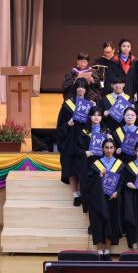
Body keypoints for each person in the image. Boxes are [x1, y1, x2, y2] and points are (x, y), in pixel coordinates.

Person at [88, 138, 125, 260]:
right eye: (106, 147)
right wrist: (98, 177)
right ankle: (100, 252)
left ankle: (107, 252)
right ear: (103, 149)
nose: (109, 150)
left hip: (112, 199)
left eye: (111, 147)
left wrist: (117, 192)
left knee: (111, 224)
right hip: (98, 199)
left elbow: (122, 182)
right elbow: (88, 182)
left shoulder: (120, 164)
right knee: (97, 224)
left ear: (114, 149)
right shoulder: (96, 164)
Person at [56, 78, 91, 206]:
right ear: (75, 89)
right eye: (78, 86)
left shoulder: (90, 104)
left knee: (82, 167)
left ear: (86, 90)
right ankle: (75, 194)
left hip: (84, 140)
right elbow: (60, 125)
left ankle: (82, 193)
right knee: (71, 167)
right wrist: (68, 124)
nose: (81, 89)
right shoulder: (67, 105)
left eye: (83, 87)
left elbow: (95, 121)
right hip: (70, 139)